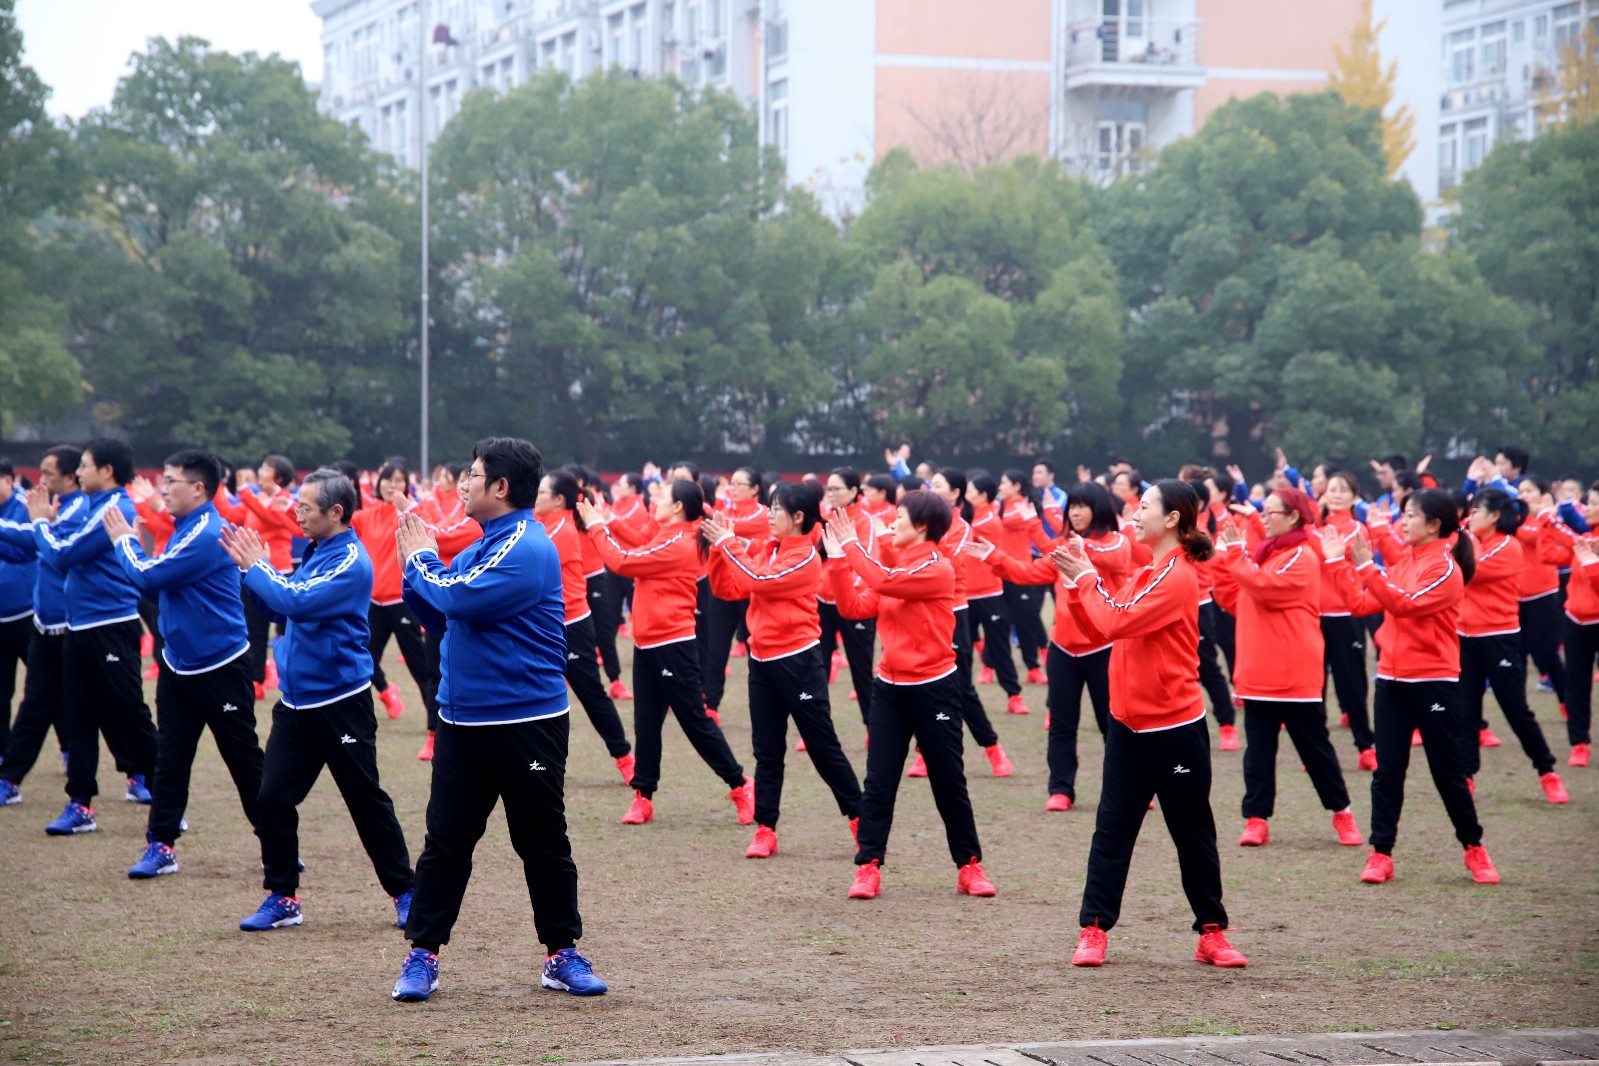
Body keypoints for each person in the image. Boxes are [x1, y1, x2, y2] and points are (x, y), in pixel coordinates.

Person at [389, 437, 606, 1003]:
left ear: (501, 487)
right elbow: (440, 613)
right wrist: (419, 572)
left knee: (542, 841)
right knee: (446, 844)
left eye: (474, 475)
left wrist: (420, 560)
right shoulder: (480, 548)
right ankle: (423, 955)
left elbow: (457, 599)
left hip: (526, 723)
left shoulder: (526, 547)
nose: (464, 484)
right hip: (463, 724)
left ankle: (562, 953)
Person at [1052, 479, 1246, 970]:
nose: (1134, 516)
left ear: (1173, 519)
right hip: (1127, 726)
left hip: (1174, 728)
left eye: (1143, 507)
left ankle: (1212, 932)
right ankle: (1094, 929)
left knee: (1192, 832)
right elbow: (1101, 624)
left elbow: (1115, 621)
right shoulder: (1146, 573)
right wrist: (1078, 585)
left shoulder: (1177, 575)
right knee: (1111, 830)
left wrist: (1087, 579)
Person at [223, 469, 416, 933]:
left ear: (336, 512)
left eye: (306, 507)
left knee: (365, 801)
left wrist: (259, 568)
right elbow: (280, 607)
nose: (298, 514)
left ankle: (407, 892)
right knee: (272, 799)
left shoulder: (349, 560)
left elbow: (297, 601)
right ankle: (283, 896)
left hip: (340, 703)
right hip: (296, 705)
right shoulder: (316, 551)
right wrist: (250, 572)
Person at [1322, 488, 1502, 886]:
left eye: (1410, 516)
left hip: (1433, 682)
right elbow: (1360, 604)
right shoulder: (1404, 563)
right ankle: (1381, 854)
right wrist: (1337, 561)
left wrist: (1366, 566)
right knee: (1387, 772)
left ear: (1435, 525)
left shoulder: (1446, 569)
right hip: (1390, 680)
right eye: (1402, 515)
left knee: (1447, 772)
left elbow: (1404, 604)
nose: (1402, 522)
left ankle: (1474, 848)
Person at [823, 493, 996, 902]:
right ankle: (868, 866)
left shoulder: (937, 567)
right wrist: (838, 561)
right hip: (889, 689)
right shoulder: (898, 568)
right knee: (878, 782)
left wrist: (851, 546)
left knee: (948, 781)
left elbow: (883, 582)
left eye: (899, 516)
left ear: (921, 526)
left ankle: (969, 866)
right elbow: (853, 607)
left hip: (935, 688)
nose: (892, 522)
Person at [104, 450, 267, 878]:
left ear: (198, 488)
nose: (162, 490)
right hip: (178, 666)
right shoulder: (184, 530)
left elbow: (148, 576)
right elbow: (158, 588)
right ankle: (161, 845)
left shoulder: (207, 533)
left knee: (244, 762)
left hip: (221, 666)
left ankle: (277, 844)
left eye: (170, 482)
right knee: (171, 760)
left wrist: (124, 541)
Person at [578, 480, 753, 826]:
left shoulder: (681, 542)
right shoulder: (667, 534)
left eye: (662, 496)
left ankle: (741, 785)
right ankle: (643, 796)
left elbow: (623, 562)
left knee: (695, 722)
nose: (654, 499)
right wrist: (607, 522)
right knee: (646, 724)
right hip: (646, 644)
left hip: (673, 645)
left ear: (678, 507)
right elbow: (636, 547)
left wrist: (597, 526)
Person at [704, 481, 863, 859]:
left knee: (823, 748)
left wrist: (729, 544)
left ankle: (862, 819)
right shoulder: (766, 548)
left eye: (776, 509)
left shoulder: (806, 557)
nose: (770, 515)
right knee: (767, 750)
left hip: (798, 662)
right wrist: (718, 549)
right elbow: (727, 590)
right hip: (761, 662)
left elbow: (758, 581)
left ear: (798, 517)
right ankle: (766, 828)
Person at [1211, 487, 1363, 848]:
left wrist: (1235, 555)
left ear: (1294, 516)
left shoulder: (1302, 556)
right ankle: (1256, 819)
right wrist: (1221, 559)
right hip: (1258, 672)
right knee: (1258, 753)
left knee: (1316, 750)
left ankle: (1342, 813)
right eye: (1262, 511)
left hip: (1294, 672)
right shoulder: (1267, 555)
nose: (1263, 518)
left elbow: (1264, 587)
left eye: (1270, 512)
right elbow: (1233, 596)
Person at [967, 481, 1130, 810]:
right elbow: (1027, 573)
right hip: (1063, 651)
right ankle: (1061, 789)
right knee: (1061, 724)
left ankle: (1130, 786)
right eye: (1072, 507)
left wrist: (1081, 547)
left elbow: (1116, 559)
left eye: (1082, 506)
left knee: (1112, 722)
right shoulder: (1065, 548)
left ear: (1099, 509)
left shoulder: (1115, 542)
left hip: (1103, 649)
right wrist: (992, 556)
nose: (1075, 512)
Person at [27, 438, 159, 836]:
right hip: (79, 626)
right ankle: (80, 803)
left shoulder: (115, 509)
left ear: (106, 471)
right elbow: (64, 549)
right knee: (78, 715)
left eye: (84, 465)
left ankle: (165, 796)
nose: (78, 472)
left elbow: (63, 555)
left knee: (130, 713)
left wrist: (39, 522)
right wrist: (47, 524)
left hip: (111, 626)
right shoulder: (92, 505)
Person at [1456, 488, 1568, 803]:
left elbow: (1469, 571)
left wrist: (1456, 541)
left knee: (1516, 710)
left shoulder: (1508, 546)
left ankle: (1547, 771)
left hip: (1498, 639)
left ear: (1494, 515)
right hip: (1465, 638)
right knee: (1466, 712)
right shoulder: (1471, 540)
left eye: (1476, 510)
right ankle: (1466, 776)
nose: (1470, 516)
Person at [534, 470, 634, 783]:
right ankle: (536, 762)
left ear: (558, 500)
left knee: (590, 694)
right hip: (544, 625)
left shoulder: (560, 530)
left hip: (570, 625)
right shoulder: (544, 523)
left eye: (541, 492)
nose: (536, 496)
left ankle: (625, 757)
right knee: (535, 695)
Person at [0, 446, 85, 804]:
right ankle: (9, 774)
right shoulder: (52, 506)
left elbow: (42, 549)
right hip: (33, 622)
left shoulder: (55, 507)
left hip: (54, 621)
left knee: (95, 705)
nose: (42, 479)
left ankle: (134, 773)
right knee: (29, 699)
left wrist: (37, 524)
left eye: (49, 473)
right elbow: (26, 544)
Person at [923, 468, 1012, 778]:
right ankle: (924, 753)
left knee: (960, 686)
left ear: (954, 494)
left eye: (938, 485)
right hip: (922, 611)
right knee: (923, 686)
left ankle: (992, 747)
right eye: (930, 484)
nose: (931, 489)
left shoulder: (960, 527)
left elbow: (943, 562)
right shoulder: (919, 523)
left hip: (952, 610)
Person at [352, 459, 440, 732]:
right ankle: (372, 705)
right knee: (362, 660)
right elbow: (339, 523)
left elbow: (435, 530)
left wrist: (411, 509)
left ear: (407, 485)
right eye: (388, 479)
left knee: (421, 667)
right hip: (374, 603)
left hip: (402, 602)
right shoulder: (368, 514)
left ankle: (436, 729)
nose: (393, 485)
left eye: (399, 480)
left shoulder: (411, 514)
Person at [215, 454, 299, 699]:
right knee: (255, 629)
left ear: (278, 477)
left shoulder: (282, 500)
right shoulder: (256, 498)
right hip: (255, 571)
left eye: (266, 468)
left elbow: (268, 515)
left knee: (289, 631)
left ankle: (291, 675)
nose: (260, 471)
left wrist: (244, 491)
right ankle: (257, 679)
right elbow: (229, 513)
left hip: (280, 571)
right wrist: (217, 483)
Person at [1526, 482, 1596, 768]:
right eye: (1589, 502)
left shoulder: (1588, 544)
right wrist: (1546, 523)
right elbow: (1550, 555)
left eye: (1594, 504)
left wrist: (1546, 516)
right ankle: (1579, 743)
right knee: (1577, 684)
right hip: (1575, 621)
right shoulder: (1585, 539)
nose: (1587, 509)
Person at [1317, 471, 1377, 769]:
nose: (1337, 494)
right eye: (1332, 489)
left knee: (1351, 683)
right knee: (1314, 685)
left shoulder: (1358, 530)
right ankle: (1317, 750)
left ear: (1354, 497)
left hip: (1347, 615)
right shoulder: (1314, 530)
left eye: (1344, 490)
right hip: (1315, 616)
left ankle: (1365, 747)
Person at [702, 468, 767, 721]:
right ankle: (711, 705)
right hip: (721, 591)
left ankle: (764, 705)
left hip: (750, 592)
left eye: (741, 484)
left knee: (757, 652)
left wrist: (722, 527)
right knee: (716, 652)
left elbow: (745, 530)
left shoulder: (764, 515)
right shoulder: (725, 513)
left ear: (755, 489)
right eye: (733, 484)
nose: (734, 488)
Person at [966, 473, 1030, 714]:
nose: (967, 495)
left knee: (1000, 646)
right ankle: (959, 696)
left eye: (970, 491)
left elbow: (965, 533)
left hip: (988, 593)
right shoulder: (966, 516)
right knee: (960, 649)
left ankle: (1013, 695)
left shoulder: (988, 520)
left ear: (983, 495)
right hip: (962, 595)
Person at [819, 467, 879, 719]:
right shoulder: (824, 518)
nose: (830, 493)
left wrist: (846, 593)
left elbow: (866, 563)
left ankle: (873, 728)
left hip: (855, 604)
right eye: (828, 488)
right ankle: (816, 730)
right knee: (817, 671)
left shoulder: (865, 521)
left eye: (836, 489)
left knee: (861, 672)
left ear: (854, 491)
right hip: (822, 604)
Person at [996, 469, 1052, 685]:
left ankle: (1034, 666)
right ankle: (991, 665)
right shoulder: (1002, 506)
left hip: (1020, 571)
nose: (1000, 487)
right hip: (1001, 569)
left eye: (1004, 483)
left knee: (1025, 620)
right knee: (1000, 620)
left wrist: (991, 510)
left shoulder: (1021, 506)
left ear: (1016, 486)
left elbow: (1009, 521)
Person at [0, 458, 36, 756]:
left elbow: (22, 550)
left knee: (45, 690)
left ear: (9, 481)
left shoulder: (28, 506)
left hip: (29, 615)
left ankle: (68, 749)